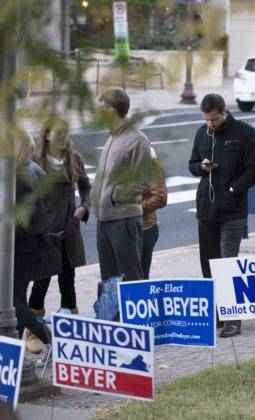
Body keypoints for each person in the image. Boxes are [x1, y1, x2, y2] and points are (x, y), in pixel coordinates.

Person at [189, 93, 255, 338]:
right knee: (208, 266)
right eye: (207, 120)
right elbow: (192, 163)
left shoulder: (243, 133)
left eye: (214, 120)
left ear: (224, 112)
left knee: (227, 264)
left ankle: (233, 319)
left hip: (232, 211)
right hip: (206, 210)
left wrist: (234, 188)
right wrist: (201, 167)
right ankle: (218, 314)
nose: (211, 125)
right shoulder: (202, 133)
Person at [23, 119, 91, 353]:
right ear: (47, 135)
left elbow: (86, 187)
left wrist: (82, 208)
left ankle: (70, 328)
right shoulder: (36, 160)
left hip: (69, 229)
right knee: (41, 279)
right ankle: (32, 329)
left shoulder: (74, 158)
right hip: (45, 231)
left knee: (67, 279)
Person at [91, 88, 152, 283]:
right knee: (108, 279)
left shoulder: (137, 140)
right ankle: (112, 315)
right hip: (104, 220)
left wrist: (115, 196)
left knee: (130, 277)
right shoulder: (112, 137)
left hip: (123, 219)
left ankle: (133, 314)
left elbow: (143, 181)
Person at [13, 129, 59, 353]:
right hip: (34, 246)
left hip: (22, 248)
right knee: (17, 300)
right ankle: (14, 348)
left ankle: (47, 337)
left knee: (13, 303)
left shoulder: (20, 176)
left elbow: (19, 218)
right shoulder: (35, 170)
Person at [141, 147, 167, 279]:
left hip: (145, 228)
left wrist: (134, 208)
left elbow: (160, 198)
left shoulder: (151, 166)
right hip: (123, 228)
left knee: (140, 275)